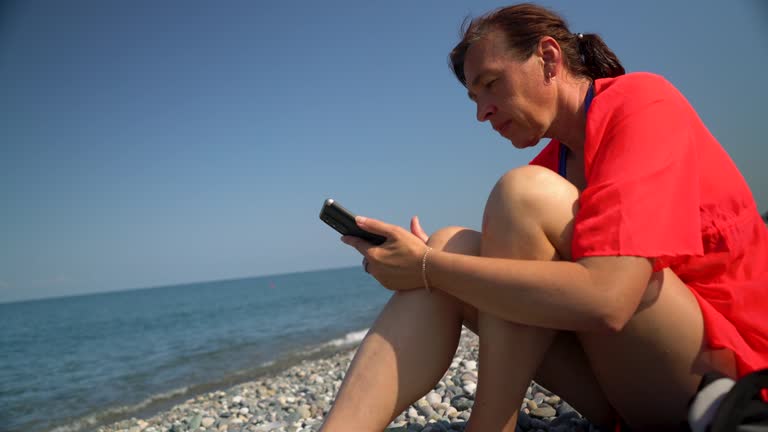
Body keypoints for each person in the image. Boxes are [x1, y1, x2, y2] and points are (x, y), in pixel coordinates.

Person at [320, 3, 768, 431]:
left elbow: (610, 300)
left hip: (726, 380)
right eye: (474, 98)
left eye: (491, 84)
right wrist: (427, 262)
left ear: (548, 59)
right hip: (625, 390)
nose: (481, 113)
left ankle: (490, 426)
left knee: (503, 210)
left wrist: (424, 267)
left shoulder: (640, 103)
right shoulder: (549, 166)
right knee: (449, 243)